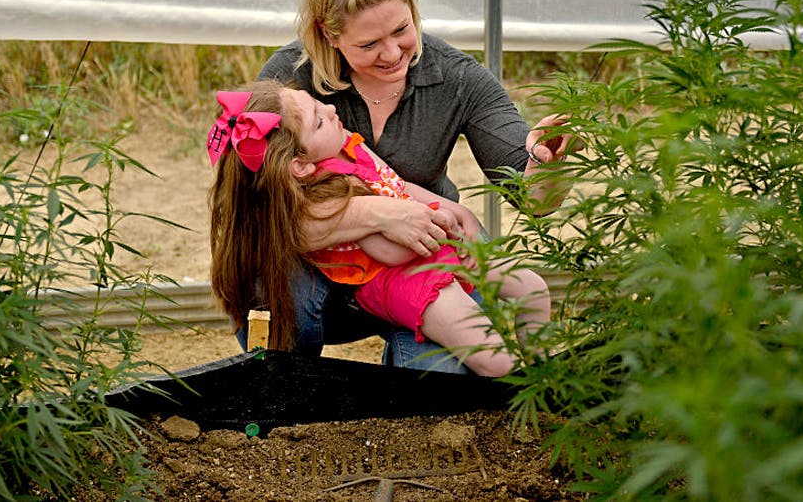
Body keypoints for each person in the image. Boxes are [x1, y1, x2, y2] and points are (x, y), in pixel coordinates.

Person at [255, 0, 576, 372]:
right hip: (324, 267)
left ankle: (517, 376)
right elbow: (256, 210)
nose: (391, 54)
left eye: (402, 31)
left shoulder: (458, 77)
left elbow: (531, 196)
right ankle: (280, 387)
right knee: (275, 285)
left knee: (437, 386)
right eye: (369, 43)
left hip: (424, 262)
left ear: (412, 7)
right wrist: (382, 215)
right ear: (330, 36)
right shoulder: (288, 87)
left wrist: (547, 163)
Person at [207, 81, 551, 376]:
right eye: (318, 121)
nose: (329, 108)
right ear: (299, 164)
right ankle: (514, 395)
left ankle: (545, 370)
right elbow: (393, 252)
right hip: (412, 279)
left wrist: (448, 209)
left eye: (318, 105)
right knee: (494, 359)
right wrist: (425, 222)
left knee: (532, 287)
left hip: (437, 248)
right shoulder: (326, 192)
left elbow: (394, 184)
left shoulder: (349, 148)